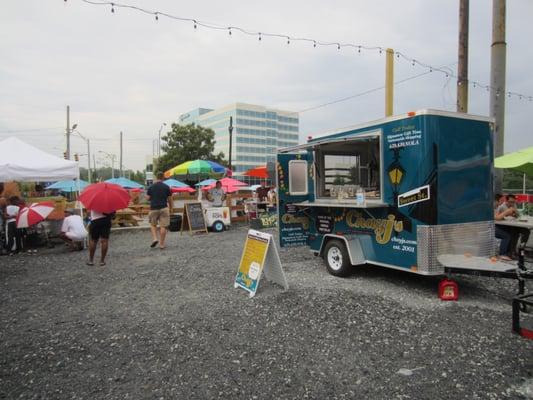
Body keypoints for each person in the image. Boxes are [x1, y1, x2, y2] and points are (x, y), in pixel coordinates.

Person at [146, 172, 172, 249]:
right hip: (164, 208)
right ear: (163, 177)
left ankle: (155, 239)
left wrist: (152, 197)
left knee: (153, 224)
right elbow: (170, 199)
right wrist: (171, 208)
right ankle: (161, 244)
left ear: (156, 177)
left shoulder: (151, 187)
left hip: (153, 208)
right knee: (163, 226)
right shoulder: (166, 187)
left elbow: (147, 198)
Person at [494, 194, 512, 260]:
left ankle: (509, 252)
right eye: (501, 200)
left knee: (510, 231)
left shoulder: (496, 207)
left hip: (494, 225)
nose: (502, 202)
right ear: (496, 200)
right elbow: (496, 217)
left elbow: (497, 217)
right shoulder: (492, 206)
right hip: (489, 227)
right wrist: (506, 212)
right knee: (507, 236)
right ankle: (502, 254)